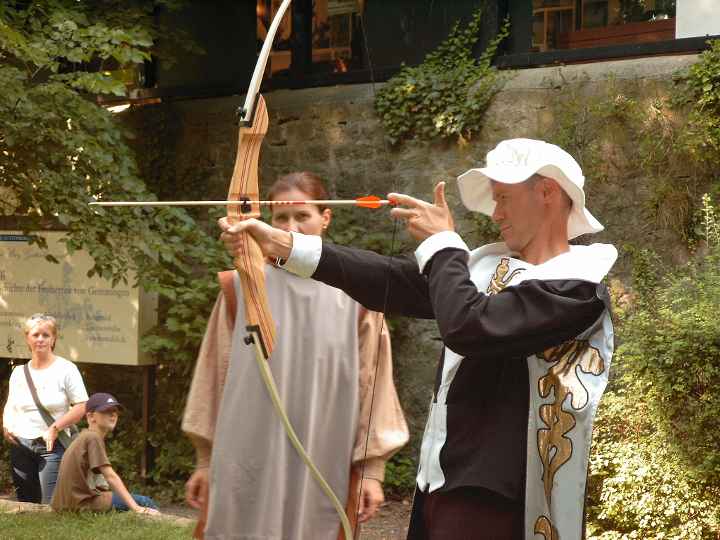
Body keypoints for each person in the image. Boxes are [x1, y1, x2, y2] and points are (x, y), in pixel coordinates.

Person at [219, 139, 618, 540]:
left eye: (503, 198)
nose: (495, 213)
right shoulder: (486, 267)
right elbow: (391, 280)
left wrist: (443, 244)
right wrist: (282, 245)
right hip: (442, 484)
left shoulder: (577, 288)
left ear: (547, 191)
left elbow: (471, 328)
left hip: (499, 501)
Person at [183, 172, 409, 540]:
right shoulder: (240, 286)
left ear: (326, 217)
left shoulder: (358, 294)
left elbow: (374, 383)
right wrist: (205, 462)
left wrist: (372, 471)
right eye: (281, 218)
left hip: (323, 452)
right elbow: (212, 377)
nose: (292, 227)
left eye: (302, 216)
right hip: (247, 453)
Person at [2, 313, 88, 504]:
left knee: (51, 505)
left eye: (45, 335)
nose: (40, 339)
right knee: (25, 504)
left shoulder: (66, 369)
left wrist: (55, 428)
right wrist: (6, 424)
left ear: (53, 338)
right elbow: (11, 402)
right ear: (27, 338)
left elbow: (82, 406)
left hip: (52, 446)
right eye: (35, 334)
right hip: (21, 444)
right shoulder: (19, 372)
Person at [50, 392, 160, 514]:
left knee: (121, 499)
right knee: (144, 502)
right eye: (106, 411)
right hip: (80, 504)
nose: (113, 414)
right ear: (91, 416)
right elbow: (110, 476)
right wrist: (137, 508)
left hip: (66, 504)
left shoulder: (85, 436)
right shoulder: (93, 437)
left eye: (115, 411)